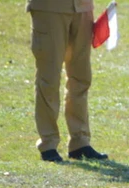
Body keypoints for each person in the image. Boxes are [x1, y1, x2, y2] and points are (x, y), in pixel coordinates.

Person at [27, 0, 108, 162]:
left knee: (81, 77)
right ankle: (48, 143)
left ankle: (80, 141)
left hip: (82, 8)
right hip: (50, 9)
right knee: (49, 78)